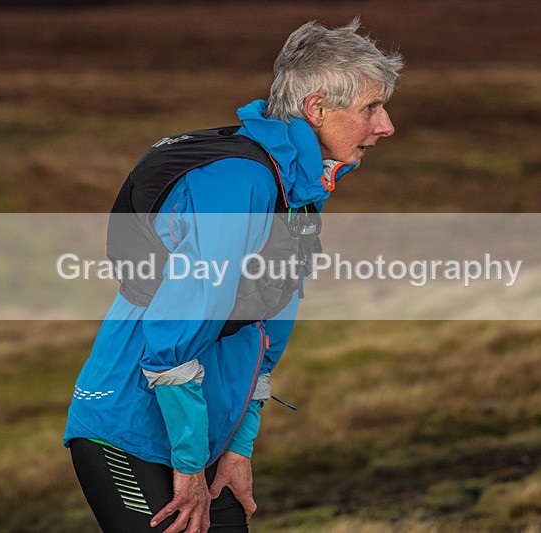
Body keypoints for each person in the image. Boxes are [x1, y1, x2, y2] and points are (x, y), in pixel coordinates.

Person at [64, 18, 403, 533]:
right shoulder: (238, 183)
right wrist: (188, 467)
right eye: (370, 108)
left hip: (199, 439)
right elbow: (175, 333)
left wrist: (236, 449)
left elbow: (263, 335)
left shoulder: (299, 194)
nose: (386, 126)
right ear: (316, 109)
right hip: (127, 429)